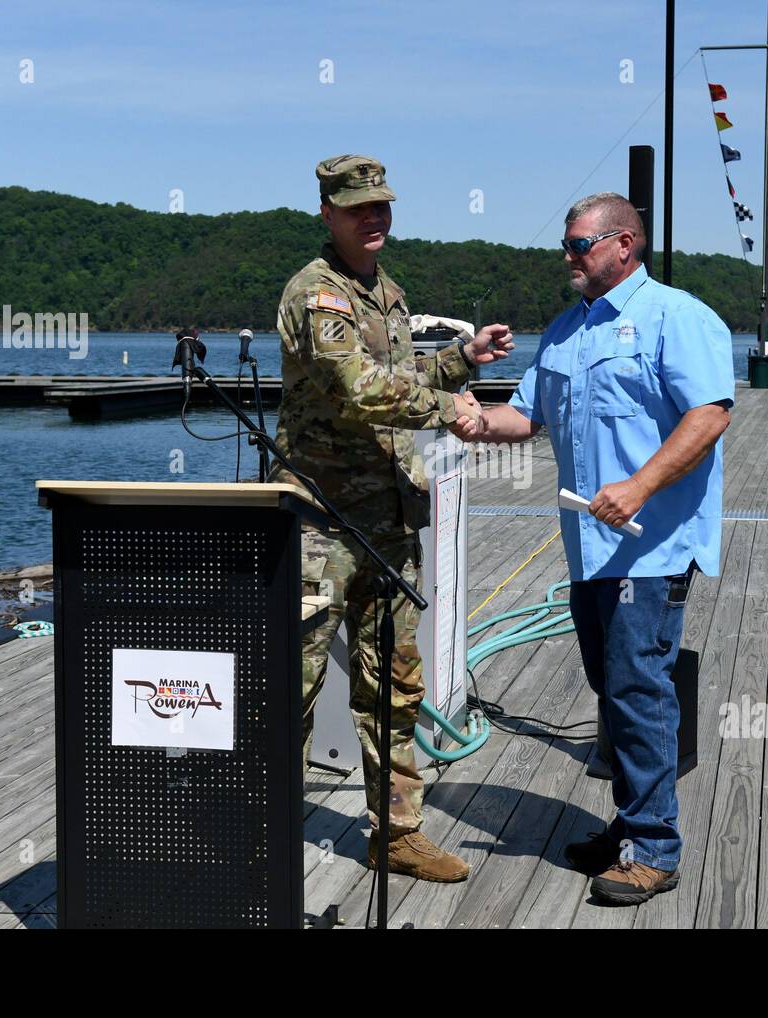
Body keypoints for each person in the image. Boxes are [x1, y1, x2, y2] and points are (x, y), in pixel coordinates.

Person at [470, 192, 733, 904]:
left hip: (650, 547)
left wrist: (642, 485)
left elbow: (710, 415)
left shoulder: (677, 317)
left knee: (639, 688)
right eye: (567, 244)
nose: (569, 257)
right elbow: (524, 417)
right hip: (588, 548)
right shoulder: (566, 330)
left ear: (625, 245)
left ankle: (654, 848)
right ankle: (629, 827)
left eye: (580, 244)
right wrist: (466, 417)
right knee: (612, 688)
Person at [269, 154, 513, 882]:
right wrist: (453, 412)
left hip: (387, 520)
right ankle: (261, 835)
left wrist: (461, 361)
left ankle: (396, 832)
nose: (373, 218)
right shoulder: (319, 294)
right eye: (357, 208)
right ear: (327, 213)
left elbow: (400, 377)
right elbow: (358, 390)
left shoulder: (387, 293)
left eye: (381, 206)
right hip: (319, 520)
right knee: (293, 683)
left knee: (393, 685)